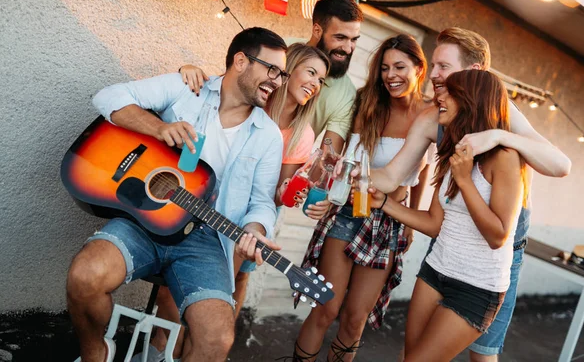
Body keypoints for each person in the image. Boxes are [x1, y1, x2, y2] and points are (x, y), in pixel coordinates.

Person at [66, 27, 287, 362]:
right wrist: (159, 128)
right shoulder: (187, 88)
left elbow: (261, 201)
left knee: (217, 340)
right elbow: (108, 97)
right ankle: (96, 351)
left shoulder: (269, 135)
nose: (278, 80)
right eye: (272, 70)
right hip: (145, 223)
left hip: (206, 240)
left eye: (282, 74)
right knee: (84, 277)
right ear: (241, 61)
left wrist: (255, 230)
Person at [367, 27, 571, 362]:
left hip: (495, 260)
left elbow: (561, 165)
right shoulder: (438, 121)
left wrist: (497, 136)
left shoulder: (504, 120)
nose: (432, 75)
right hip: (448, 244)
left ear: (474, 73)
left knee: (482, 355)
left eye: (443, 66)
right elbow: (392, 176)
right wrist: (346, 177)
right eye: (433, 65)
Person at [135, 43, 333, 362]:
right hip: (201, 198)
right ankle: (163, 345)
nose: (315, 83)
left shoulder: (303, 134)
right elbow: (213, 92)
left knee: (232, 281)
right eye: (311, 72)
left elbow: (275, 194)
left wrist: (288, 192)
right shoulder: (254, 97)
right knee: (178, 281)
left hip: (248, 217)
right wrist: (187, 68)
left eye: (321, 80)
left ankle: (202, 350)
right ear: (286, 71)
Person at [289, 34, 434, 362]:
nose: (390, 75)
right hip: (346, 213)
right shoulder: (365, 100)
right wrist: (322, 192)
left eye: (400, 66)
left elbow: (422, 168)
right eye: (384, 68)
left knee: (355, 320)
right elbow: (336, 157)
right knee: (326, 308)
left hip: (388, 222)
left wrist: (411, 220)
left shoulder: (430, 113)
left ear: (419, 68)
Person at [370, 69, 525, 361]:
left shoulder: (505, 158)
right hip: (435, 271)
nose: (438, 96)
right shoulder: (452, 149)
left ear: (470, 101)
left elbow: (498, 235)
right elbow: (434, 224)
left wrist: (465, 180)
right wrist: (384, 204)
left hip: (477, 288)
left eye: (449, 93)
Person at [181, 0, 364, 155]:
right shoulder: (281, 49)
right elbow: (230, 82)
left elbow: (328, 157)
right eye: (340, 38)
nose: (348, 48)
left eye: (354, 40)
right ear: (317, 30)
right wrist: (189, 72)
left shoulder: (346, 94)